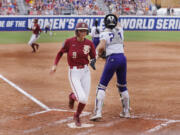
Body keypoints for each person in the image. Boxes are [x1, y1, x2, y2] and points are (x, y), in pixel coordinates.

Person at [50, 22, 96, 127]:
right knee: (82, 98)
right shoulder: (69, 42)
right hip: (74, 72)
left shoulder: (89, 43)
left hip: (85, 72)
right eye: (81, 30)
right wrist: (55, 65)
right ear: (77, 31)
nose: (83, 32)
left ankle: (76, 111)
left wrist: (93, 61)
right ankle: (74, 104)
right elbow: (60, 53)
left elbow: (93, 56)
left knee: (85, 99)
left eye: (85, 30)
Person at [90, 14, 130, 121]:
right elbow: (117, 22)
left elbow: (101, 47)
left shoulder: (104, 33)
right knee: (122, 85)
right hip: (122, 58)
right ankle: (126, 112)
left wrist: (96, 56)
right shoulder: (120, 30)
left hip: (112, 59)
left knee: (102, 86)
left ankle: (97, 112)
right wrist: (115, 16)